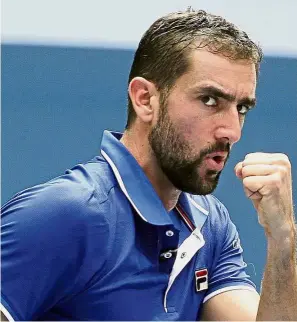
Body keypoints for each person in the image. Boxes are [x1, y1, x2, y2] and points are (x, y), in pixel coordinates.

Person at [1, 8, 296, 321]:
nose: (232, 131)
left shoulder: (211, 225)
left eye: (241, 108)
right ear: (144, 99)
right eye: (210, 100)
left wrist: (283, 238)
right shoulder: (63, 214)